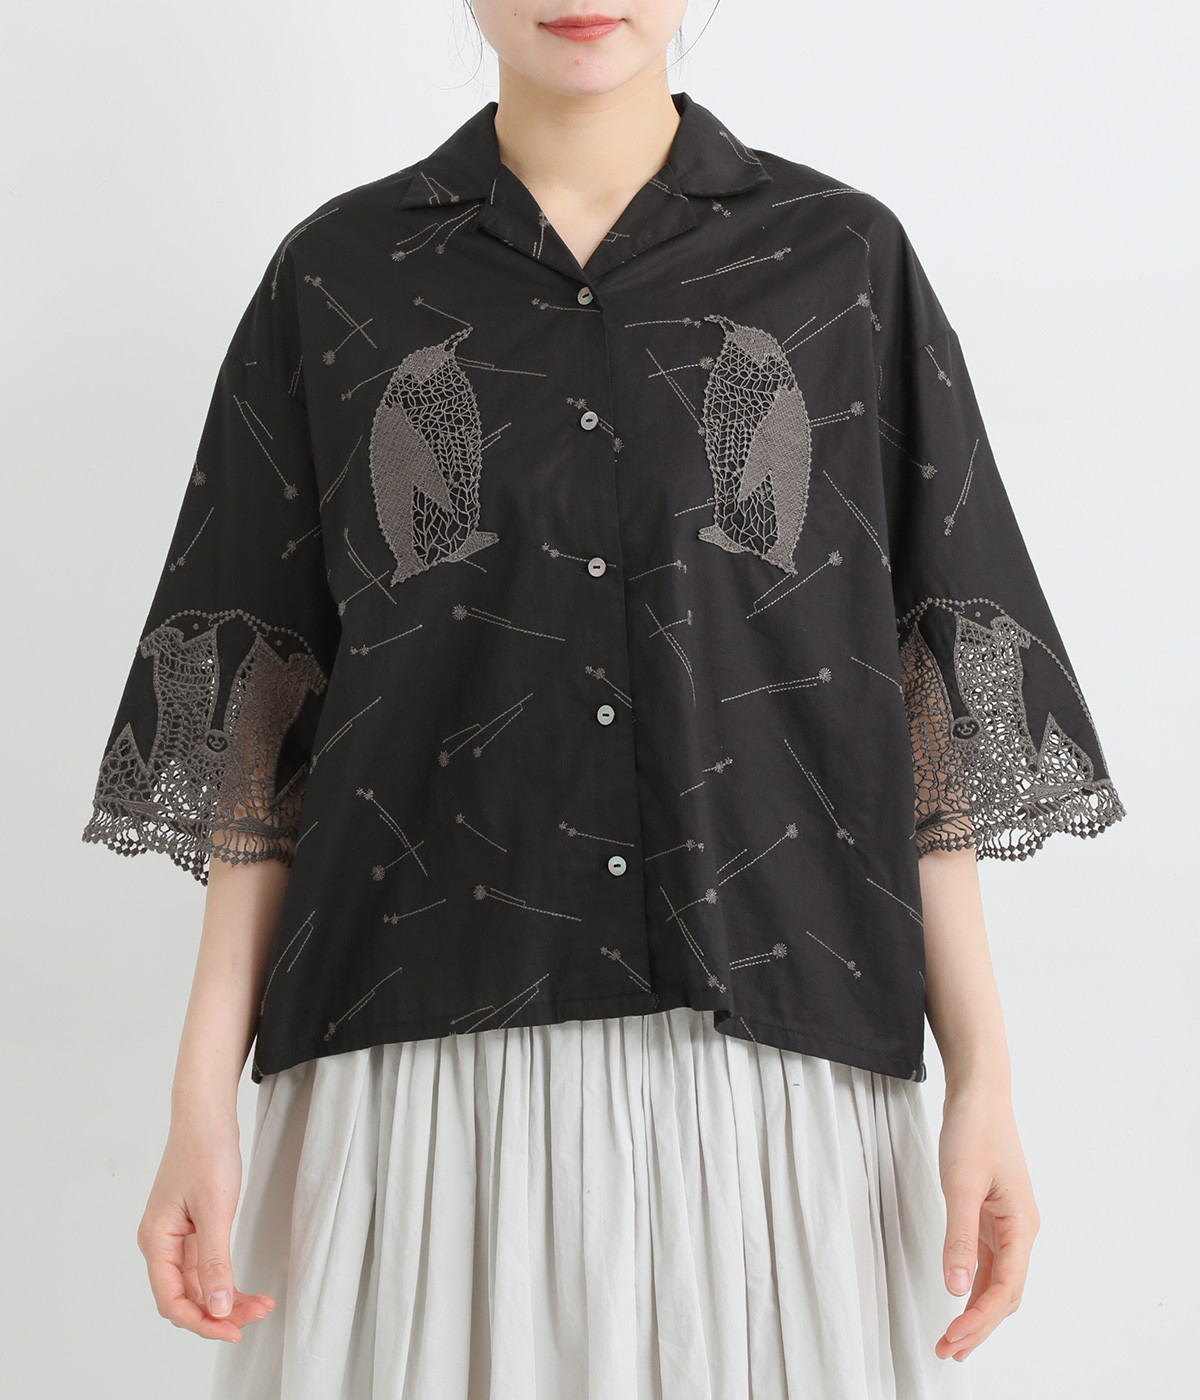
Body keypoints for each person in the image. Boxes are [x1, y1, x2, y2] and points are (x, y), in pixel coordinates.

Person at [85, 3, 1126, 1397]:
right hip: (422, 1075)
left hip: (769, 1066)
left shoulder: (841, 267)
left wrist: (986, 1080)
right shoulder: (338, 278)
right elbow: (254, 738)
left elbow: (927, 709)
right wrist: (198, 1101)